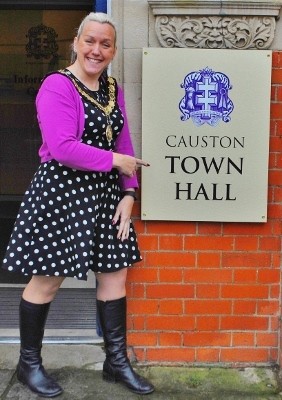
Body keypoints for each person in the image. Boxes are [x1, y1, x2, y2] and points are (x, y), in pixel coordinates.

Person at [2, 12, 154, 398]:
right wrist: (116, 164)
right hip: (61, 193)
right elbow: (62, 147)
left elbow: (123, 142)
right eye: (90, 41)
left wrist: (129, 192)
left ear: (114, 50)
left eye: (105, 44)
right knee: (48, 281)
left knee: (114, 274)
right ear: (76, 42)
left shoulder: (111, 87)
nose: (96, 50)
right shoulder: (56, 86)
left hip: (105, 195)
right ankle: (28, 364)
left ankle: (116, 362)